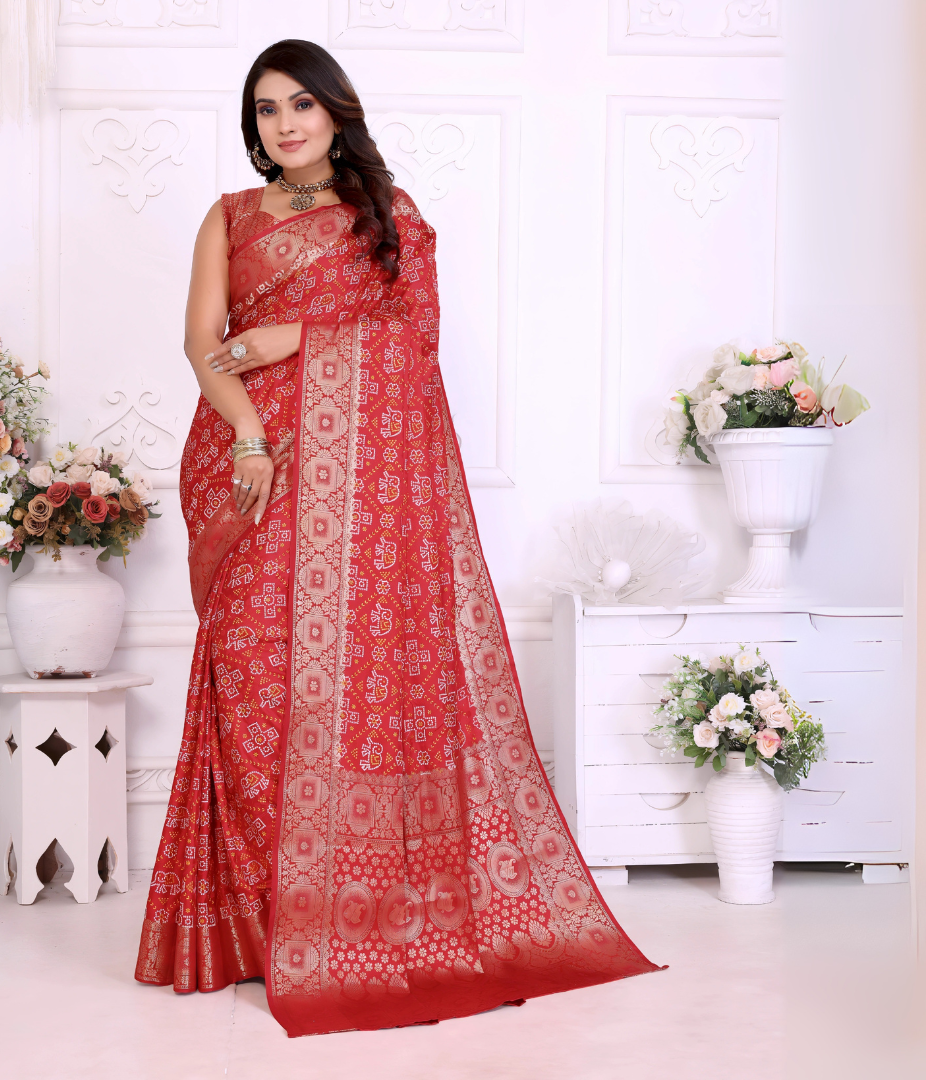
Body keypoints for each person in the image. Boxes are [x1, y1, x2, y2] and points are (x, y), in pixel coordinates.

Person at [135, 38, 661, 1037]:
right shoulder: (231, 216)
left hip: (361, 493)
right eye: (266, 110)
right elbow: (203, 344)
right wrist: (249, 433)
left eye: (300, 104)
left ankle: (342, 919)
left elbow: (414, 347)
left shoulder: (389, 217)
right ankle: (263, 929)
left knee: (349, 690)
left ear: (336, 111)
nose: (285, 124)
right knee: (252, 684)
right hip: (251, 471)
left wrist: (298, 337)